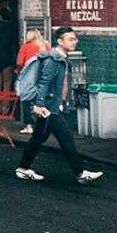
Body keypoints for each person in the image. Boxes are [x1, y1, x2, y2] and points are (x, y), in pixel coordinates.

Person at [15, 27, 103, 185]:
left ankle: (23, 168)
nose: (74, 42)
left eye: (75, 39)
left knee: (38, 138)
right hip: (48, 107)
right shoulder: (53, 59)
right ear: (60, 41)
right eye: (70, 39)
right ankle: (80, 173)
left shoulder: (63, 59)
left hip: (53, 105)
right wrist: (39, 104)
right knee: (66, 137)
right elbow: (44, 82)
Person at [13, 30, 49, 134]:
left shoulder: (25, 46)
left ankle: (29, 126)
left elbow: (19, 62)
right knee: (41, 99)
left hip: (28, 78)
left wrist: (20, 71)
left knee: (26, 100)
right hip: (43, 76)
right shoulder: (45, 45)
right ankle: (42, 124)